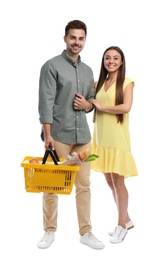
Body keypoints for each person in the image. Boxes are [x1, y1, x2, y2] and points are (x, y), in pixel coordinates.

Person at [37, 20, 105, 250]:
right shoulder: (51, 66)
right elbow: (45, 102)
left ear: (85, 40)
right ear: (65, 38)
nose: (77, 42)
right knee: (52, 185)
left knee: (84, 186)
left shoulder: (87, 70)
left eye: (81, 38)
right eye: (73, 38)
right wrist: (48, 136)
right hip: (59, 135)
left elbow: (91, 100)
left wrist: (87, 105)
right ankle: (49, 231)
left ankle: (86, 233)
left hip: (83, 137)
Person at [90, 46, 138, 244]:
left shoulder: (127, 82)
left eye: (115, 58)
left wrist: (102, 107)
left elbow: (126, 107)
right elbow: (90, 103)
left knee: (119, 183)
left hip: (117, 139)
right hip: (101, 138)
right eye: (107, 58)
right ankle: (126, 219)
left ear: (121, 62)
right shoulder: (99, 83)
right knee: (110, 183)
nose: (111, 61)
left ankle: (121, 225)